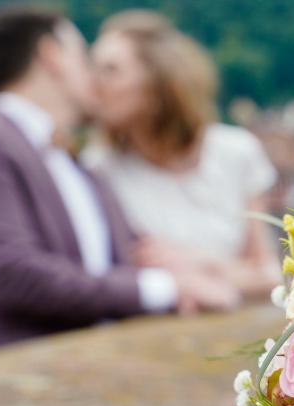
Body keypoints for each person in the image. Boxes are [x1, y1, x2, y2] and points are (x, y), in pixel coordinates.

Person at [0, 5, 237, 360]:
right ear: (52, 56)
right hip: (0, 378)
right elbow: (9, 271)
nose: (93, 76)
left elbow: (132, 254)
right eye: (83, 56)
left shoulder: (79, 163)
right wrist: (164, 288)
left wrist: (195, 269)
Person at [84, 10, 281, 299]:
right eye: (93, 69)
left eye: (111, 70)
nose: (94, 84)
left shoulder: (237, 152)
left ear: (157, 80)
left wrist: (201, 263)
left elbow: (269, 277)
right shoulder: (98, 167)